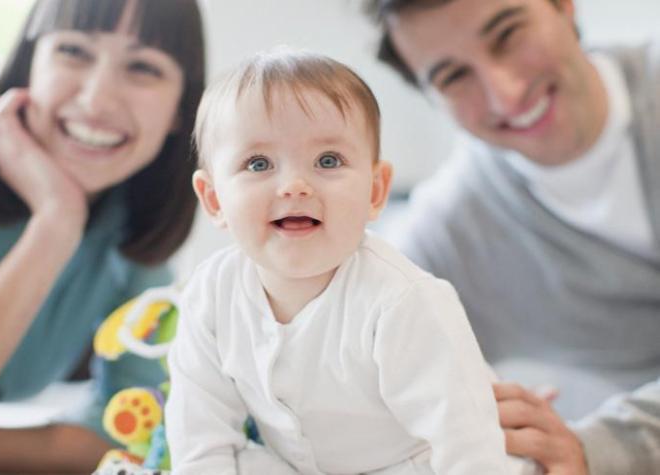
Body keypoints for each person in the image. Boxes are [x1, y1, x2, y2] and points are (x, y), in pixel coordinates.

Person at [165, 49, 538, 475]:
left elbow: (465, 439)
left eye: (328, 161)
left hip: (420, 461)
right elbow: (199, 434)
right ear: (214, 199)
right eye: (258, 163)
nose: (294, 185)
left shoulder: (402, 300)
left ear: (375, 191)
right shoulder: (210, 295)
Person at [0, 0, 204, 472]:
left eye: (143, 67)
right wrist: (56, 226)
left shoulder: (130, 215)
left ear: (179, 111)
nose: (97, 101)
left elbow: (137, 435)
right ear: (30, 64)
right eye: (74, 51)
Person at [367, 0, 660, 474]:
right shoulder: (455, 229)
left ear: (564, 7)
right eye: (454, 77)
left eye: (508, 35)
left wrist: (601, 448)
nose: (507, 95)